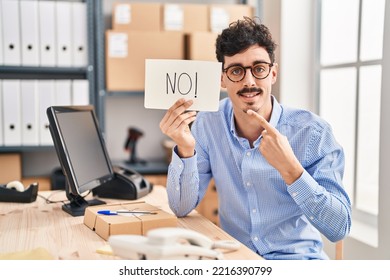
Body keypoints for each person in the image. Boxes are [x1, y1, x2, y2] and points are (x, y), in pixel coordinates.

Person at [159, 17, 351, 260]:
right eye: (236, 71)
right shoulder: (208, 124)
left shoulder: (313, 133)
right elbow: (181, 207)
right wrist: (185, 149)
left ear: (273, 73)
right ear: (222, 79)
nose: (249, 82)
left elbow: (339, 228)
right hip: (238, 259)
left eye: (259, 69)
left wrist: (291, 170)